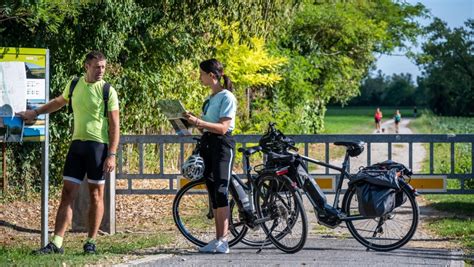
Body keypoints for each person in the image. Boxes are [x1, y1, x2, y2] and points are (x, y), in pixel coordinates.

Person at [17, 51, 120, 255]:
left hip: (98, 148)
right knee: (67, 194)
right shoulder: (74, 84)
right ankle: (56, 243)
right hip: (77, 146)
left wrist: (112, 154)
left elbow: (115, 126)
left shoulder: (108, 90)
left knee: (96, 195)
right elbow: (58, 102)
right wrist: (35, 112)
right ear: (86, 66)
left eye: (103, 67)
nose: (101, 71)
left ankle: (91, 241)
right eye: (97, 66)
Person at [183, 59, 237, 254]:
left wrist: (199, 121)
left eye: (202, 74)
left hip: (222, 145)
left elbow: (223, 128)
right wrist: (189, 120)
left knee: (221, 190)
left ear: (212, 76)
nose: (200, 78)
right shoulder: (210, 98)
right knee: (213, 190)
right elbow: (206, 123)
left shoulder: (227, 97)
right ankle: (217, 239)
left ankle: (224, 240)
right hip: (207, 144)